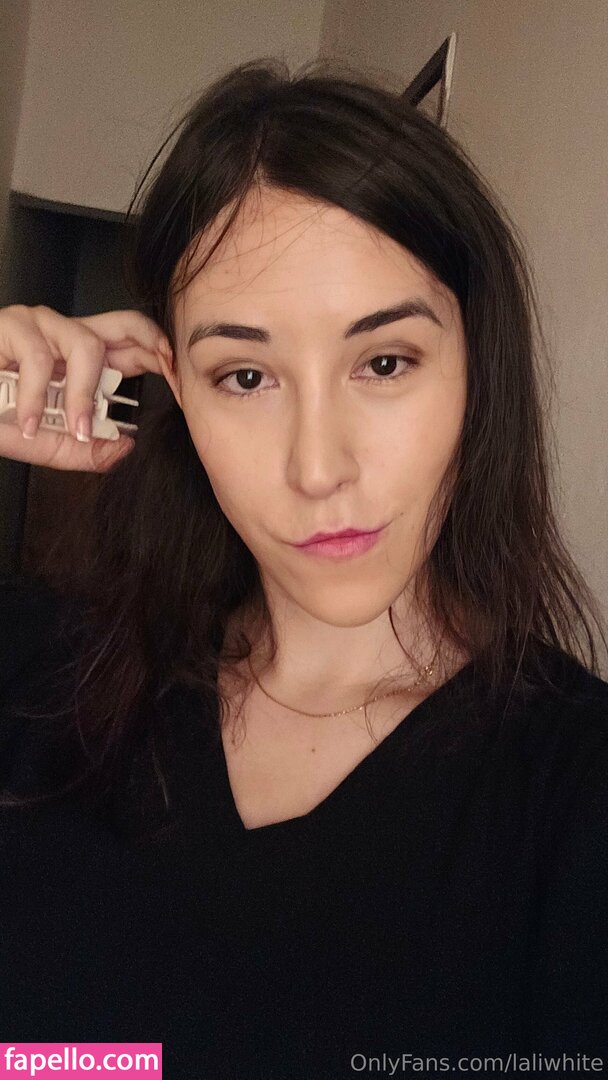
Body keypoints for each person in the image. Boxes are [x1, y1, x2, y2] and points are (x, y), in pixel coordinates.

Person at [0, 56, 607, 1080]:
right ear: (178, 391)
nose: (317, 468)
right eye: (245, 376)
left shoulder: (574, 797)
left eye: (384, 362)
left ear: (477, 363)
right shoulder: (37, 674)